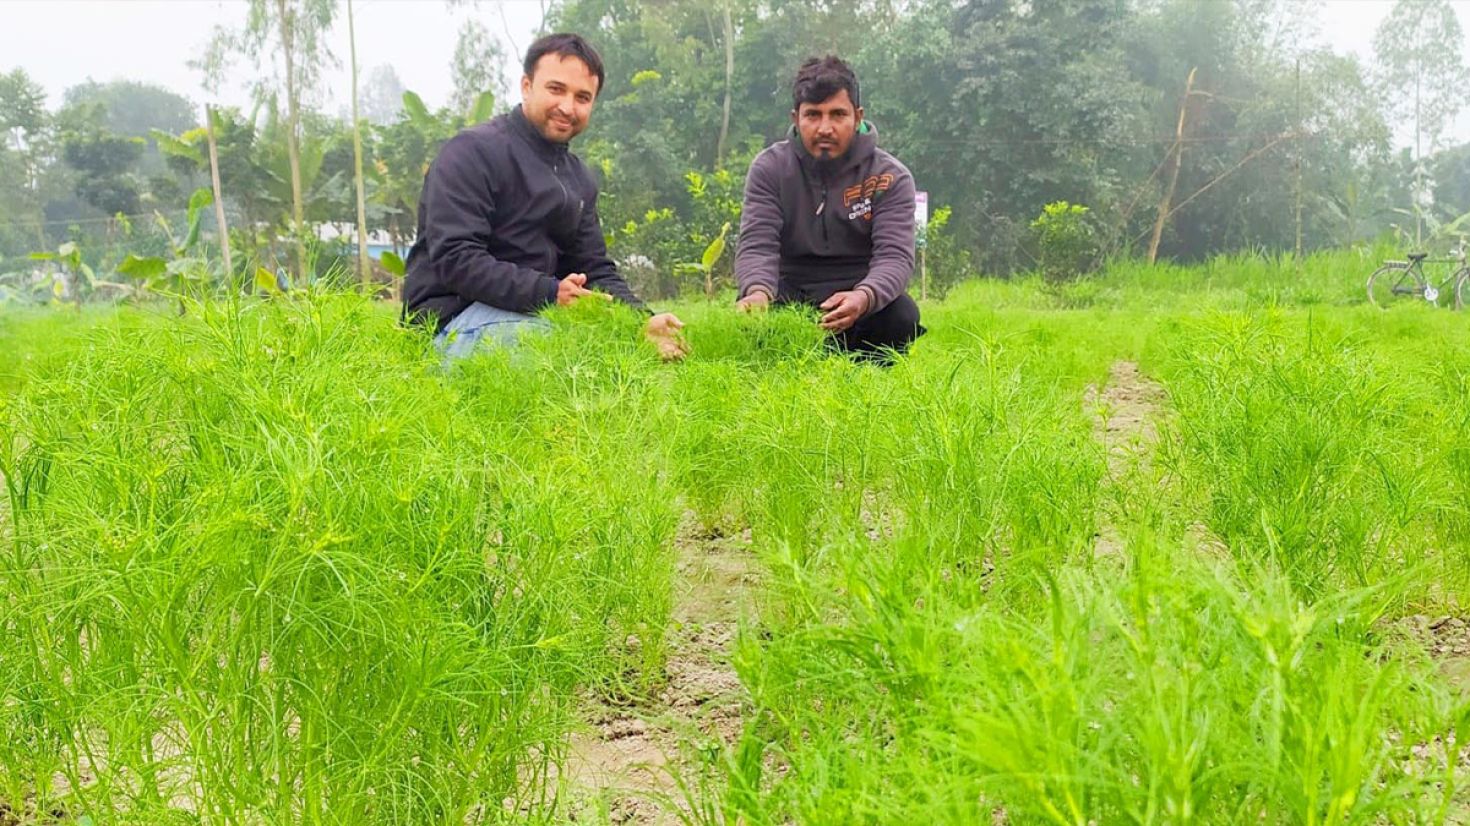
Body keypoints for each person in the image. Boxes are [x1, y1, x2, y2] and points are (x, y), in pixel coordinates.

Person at [402, 33, 687, 360]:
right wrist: (550, 293)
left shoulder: (579, 178)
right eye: (556, 89)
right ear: (527, 86)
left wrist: (641, 320)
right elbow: (456, 258)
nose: (567, 107)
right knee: (579, 354)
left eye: (582, 97)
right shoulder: (471, 153)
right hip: (451, 320)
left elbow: (593, 267)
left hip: (535, 316)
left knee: (621, 348)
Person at [733, 55, 923, 361]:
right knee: (752, 316)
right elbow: (757, 245)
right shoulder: (769, 168)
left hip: (858, 295)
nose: (825, 127)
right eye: (813, 115)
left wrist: (864, 297)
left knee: (902, 315)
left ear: (857, 117)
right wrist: (757, 292)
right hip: (790, 292)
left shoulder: (890, 176)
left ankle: (867, 379)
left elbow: (895, 257)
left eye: (837, 114)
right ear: (795, 118)